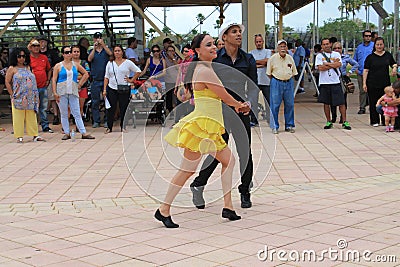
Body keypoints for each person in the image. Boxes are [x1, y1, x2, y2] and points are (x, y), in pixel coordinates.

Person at [156, 34, 249, 228]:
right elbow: (225, 97)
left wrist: (238, 105)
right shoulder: (205, 71)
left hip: (207, 126)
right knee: (188, 170)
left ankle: (228, 206)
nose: (214, 47)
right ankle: (163, 209)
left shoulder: (204, 69)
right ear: (198, 51)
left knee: (226, 161)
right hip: (202, 127)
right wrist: (240, 105)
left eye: (214, 43)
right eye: (209, 45)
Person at [190, 22, 257, 209]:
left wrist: (248, 104)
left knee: (245, 151)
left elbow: (252, 86)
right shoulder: (215, 58)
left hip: (242, 110)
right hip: (220, 112)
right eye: (233, 32)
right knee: (217, 152)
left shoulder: (248, 59)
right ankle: (198, 184)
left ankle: (245, 191)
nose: (238, 35)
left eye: (239, 32)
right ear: (224, 37)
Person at [52, 46, 95, 140]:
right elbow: (54, 79)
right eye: (66, 52)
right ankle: (66, 132)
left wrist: (79, 85)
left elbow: (86, 74)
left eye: (69, 52)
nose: (69, 54)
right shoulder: (58, 66)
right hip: (61, 91)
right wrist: (55, 92)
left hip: (73, 90)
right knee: (63, 113)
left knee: (77, 112)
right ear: (63, 54)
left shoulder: (75, 64)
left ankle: (83, 132)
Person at [5, 47, 45, 143]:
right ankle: (19, 136)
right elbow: (7, 81)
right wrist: (12, 94)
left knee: (32, 116)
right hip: (18, 96)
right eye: (19, 56)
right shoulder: (12, 68)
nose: (22, 58)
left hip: (31, 97)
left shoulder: (28, 67)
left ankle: (35, 134)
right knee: (18, 116)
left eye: (24, 56)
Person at [103, 45, 141, 133]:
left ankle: (123, 126)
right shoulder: (110, 63)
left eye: (119, 51)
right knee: (110, 108)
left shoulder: (127, 62)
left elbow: (138, 71)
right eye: (115, 51)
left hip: (124, 87)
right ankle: (109, 127)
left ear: (122, 52)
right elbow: (106, 77)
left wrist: (131, 80)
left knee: (123, 107)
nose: (117, 52)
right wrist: (104, 89)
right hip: (112, 87)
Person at [316, 38, 351, 130]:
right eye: (324, 44)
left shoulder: (336, 54)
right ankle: (328, 121)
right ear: (322, 46)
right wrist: (332, 64)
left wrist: (327, 64)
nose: (326, 46)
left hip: (336, 82)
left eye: (327, 44)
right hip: (324, 82)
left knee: (341, 102)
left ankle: (344, 121)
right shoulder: (319, 56)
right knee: (326, 103)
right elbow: (320, 68)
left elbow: (339, 64)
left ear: (330, 44)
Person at [363, 37, 397, 127]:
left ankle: (385, 119)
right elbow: (366, 70)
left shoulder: (388, 55)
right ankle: (374, 120)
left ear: (383, 45)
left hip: (385, 84)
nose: (379, 46)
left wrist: (394, 68)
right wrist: (364, 83)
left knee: (385, 102)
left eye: (381, 44)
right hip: (372, 83)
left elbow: (394, 63)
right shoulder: (370, 57)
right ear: (375, 45)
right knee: (373, 102)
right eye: (377, 44)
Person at [266, 39, 297, 134]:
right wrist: (277, 80)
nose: (283, 48)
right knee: (275, 105)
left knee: (290, 104)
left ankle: (289, 125)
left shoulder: (290, 58)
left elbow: (294, 72)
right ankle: (274, 126)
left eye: (284, 46)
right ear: (277, 48)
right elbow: (269, 73)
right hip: (276, 82)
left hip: (288, 82)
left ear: (287, 48)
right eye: (281, 46)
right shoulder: (272, 58)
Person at [88, 32, 113, 128]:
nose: (97, 39)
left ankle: (107, 120)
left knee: (107, 100)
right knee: (95, 102)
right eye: (96, 38)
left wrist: (103, 45)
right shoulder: (91, 51)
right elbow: (89, 59)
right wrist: (94, 48)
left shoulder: (106, 50)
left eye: (99, 38)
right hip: (95, 79)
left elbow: (111, 54)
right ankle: (96, 121)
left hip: (106, 79)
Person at [28, 38, 53, 133]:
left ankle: (45, 126)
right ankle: (33, 127)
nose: (36, 47)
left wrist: (48, 80)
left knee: (43, 107)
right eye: (34, 45)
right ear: (30, 47)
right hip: (32, 87)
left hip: (42, 85)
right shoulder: (28, 58)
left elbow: (49, 69)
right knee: (32, 107)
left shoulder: (44, 57)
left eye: (37, 45)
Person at [330, 42, 359, 123]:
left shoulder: (345, 57)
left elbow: (356, 64)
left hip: (342, 79)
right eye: (335, 48)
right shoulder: (330, 57)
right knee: (332, 99)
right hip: (332, 79)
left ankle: (343, 117)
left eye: (339, 48)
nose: (337, 50)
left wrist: (349, 72)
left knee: (342, 99)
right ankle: (333, 117)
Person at [250, 34, 271, 126]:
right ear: (255, 43)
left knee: (268, 101)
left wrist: (256, 62)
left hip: (266, 80)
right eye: (257, 42)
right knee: (253, 100)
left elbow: (268, 61)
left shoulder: (268, 51)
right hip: (254, 81)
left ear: (263, 42)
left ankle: (270, 119)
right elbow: (251, 64)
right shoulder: (251, 53)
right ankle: (254, 120)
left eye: (260, 41)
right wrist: (263, 63)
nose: (258, 43)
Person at [354, 30, 374, 115]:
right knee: (362, 91)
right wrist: (355, 69)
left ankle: (372, 107)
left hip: (371, 73)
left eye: (369, 36)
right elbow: (355, 59)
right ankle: (362, 107)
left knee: (372, 90)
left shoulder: (374, 46)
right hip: (361, 72)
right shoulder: (359, 47)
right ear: (363, 37)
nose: (368, 37)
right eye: (366, 36)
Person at [174, 44, 194, 122]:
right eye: (183, 51)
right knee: (179, 104)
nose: (184, 53)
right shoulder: (182, 62)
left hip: (190, 86)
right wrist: (176, 87)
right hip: (182, 85)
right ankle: (177, 122)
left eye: (186, 51)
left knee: (189, 104)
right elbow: (179, 75)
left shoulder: (193, 61)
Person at [72, 45, 90, 119]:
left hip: (82, 87)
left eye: (78, 52)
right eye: (74, 51)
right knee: (70, 107)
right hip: (71, 88)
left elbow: (87, 74)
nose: (76, 53)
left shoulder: (84, 62)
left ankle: (79, 124)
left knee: (80, 107)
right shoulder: (67, 63)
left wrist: (79, 84)